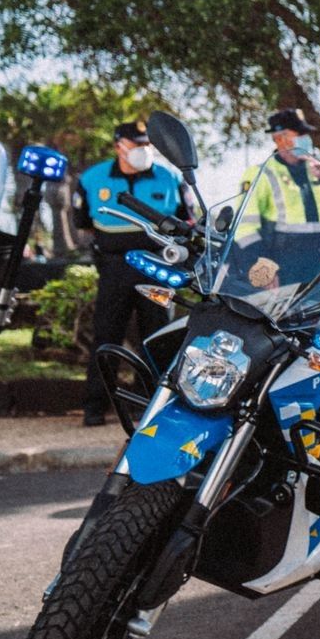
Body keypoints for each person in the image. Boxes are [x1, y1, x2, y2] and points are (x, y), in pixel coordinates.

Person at [72, 121, 184, 426]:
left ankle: (148, 405)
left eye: (147, 144)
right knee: (107, 336)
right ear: (119, 145)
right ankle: (95, 406)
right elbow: (82, 222)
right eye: (137, 144)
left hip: (157, 268)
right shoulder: (92, 179)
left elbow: (188, 222)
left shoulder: (170, 177)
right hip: (114, 267)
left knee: (157, 337)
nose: (143, 150)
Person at [232, 109, 320, 298]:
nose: (306, 138)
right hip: (282, 266)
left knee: (316, 321)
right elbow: (244, 227)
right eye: (299, 134)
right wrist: (263, 267)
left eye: (306, 134)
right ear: (280, 139)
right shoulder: (260, 174)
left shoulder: (319, 170)